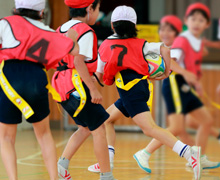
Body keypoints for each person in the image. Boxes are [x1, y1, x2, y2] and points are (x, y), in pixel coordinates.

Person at [90, 5, 203, 180]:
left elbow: (98, 76)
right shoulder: (142, 44)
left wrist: (87, 84)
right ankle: (108, 160)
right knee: (106, 120)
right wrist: (166, 73)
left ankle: (189, 152)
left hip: (129, 90)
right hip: (140, 87)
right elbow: (165, 49)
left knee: (150, 129)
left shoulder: (105, 45)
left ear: (112, 25)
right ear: (134, 26)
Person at [134, 2, 220, 173]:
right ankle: (144, 153)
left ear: (207, 24)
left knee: (206, 120)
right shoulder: (183, 40)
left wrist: (196, 83)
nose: (196, 22)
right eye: (193, 18)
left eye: (201, 20)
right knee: (177, 127)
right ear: (186, 21)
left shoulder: (195, 41)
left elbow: (195, 60)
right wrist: (187, 75)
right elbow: (171, 61)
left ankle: (199, 158)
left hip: (185, 86)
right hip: (175, 83)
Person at [0, 0, 79, 180]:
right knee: (44, 135)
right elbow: (74, 50)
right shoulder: (48, 31)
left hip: (10, 77)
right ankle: (53, 177)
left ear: (16, 6)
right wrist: (72, 37)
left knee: (5, 137)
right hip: (36, 77)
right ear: (42, 11)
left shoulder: (6, 22)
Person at [51, 0, 114, 179]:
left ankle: (62, 166)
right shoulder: (85, 31)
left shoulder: (60, 29)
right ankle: (106, 176)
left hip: (60, 85)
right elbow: (78, 62)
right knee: (99, 128)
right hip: (75, 85)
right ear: (89, 9)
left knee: (85, 127)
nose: (98, 12)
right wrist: (93, 89)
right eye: (98, 8)